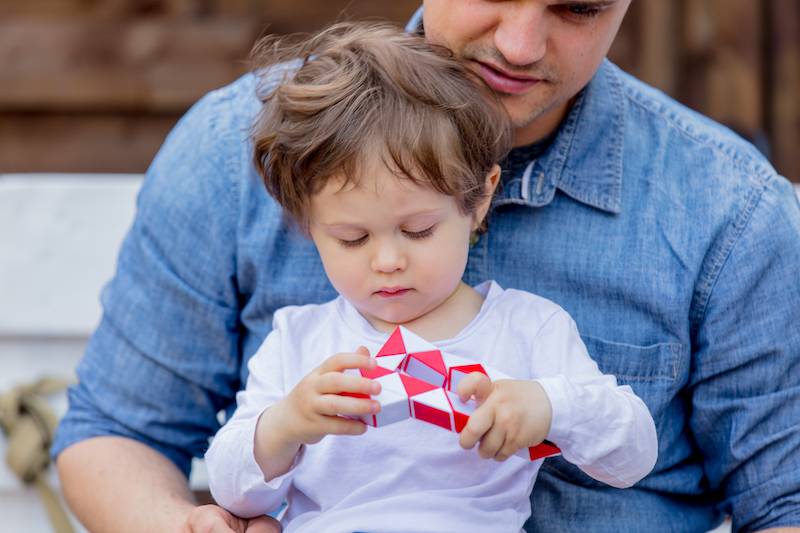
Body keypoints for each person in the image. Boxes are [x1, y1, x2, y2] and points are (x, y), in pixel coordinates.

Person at [52, 1, 800, 532]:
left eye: (577, 8)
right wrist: (187, 519)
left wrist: (555, 408)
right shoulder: (235, 150)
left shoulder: (731, 212)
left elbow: (785, 501)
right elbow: (114, 430)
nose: (519, 42)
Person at [200, 22, 657, 533]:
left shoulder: (527, 329)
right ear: (307, 223)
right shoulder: (299, 341)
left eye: (418, 230)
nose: (388, 261)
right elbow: (230, 489)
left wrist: (552, 405)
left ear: (478, 199)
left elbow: (632, 456)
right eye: (352, 238)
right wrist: (283, 426)